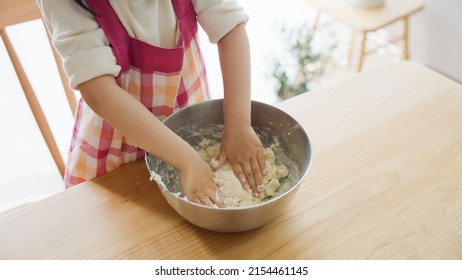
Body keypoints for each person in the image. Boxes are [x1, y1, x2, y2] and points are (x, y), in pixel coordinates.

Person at [37, 0, 266, 206]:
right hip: (118, 145)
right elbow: (98, 91)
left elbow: (229, 26)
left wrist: (238, 124)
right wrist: (187, 161)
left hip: (188, 115)